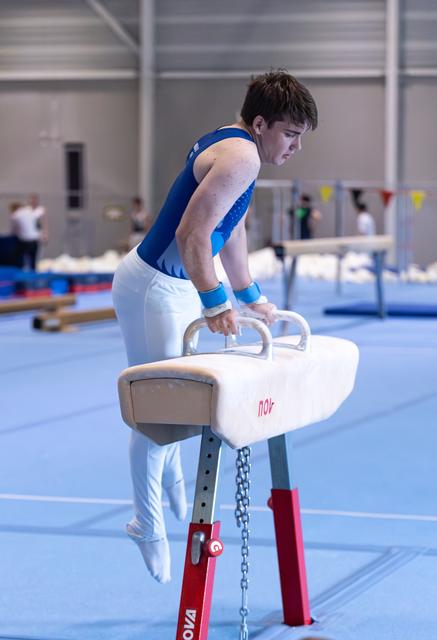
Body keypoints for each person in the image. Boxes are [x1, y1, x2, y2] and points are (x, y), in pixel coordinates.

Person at [112, 70, 318, 583]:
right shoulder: (243, 155)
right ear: (262, 123)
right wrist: (214, 302)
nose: (294, 148)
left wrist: (249, 296)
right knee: (155, 412)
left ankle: (171, 483)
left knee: (175, 400)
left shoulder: (236, 147)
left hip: (172, 284)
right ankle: (146, 523)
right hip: (154, 286)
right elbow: (191, 234)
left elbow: (232, 226)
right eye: (290, 134)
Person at [10, 194, 48, 270]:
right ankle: (30, 273)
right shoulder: (29, 211)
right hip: (34, 239)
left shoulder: (16, 214)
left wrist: (45, 233)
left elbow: (14, 230)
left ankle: (23, 275)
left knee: (23, 259)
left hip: (26, 239)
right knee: (32, 260)